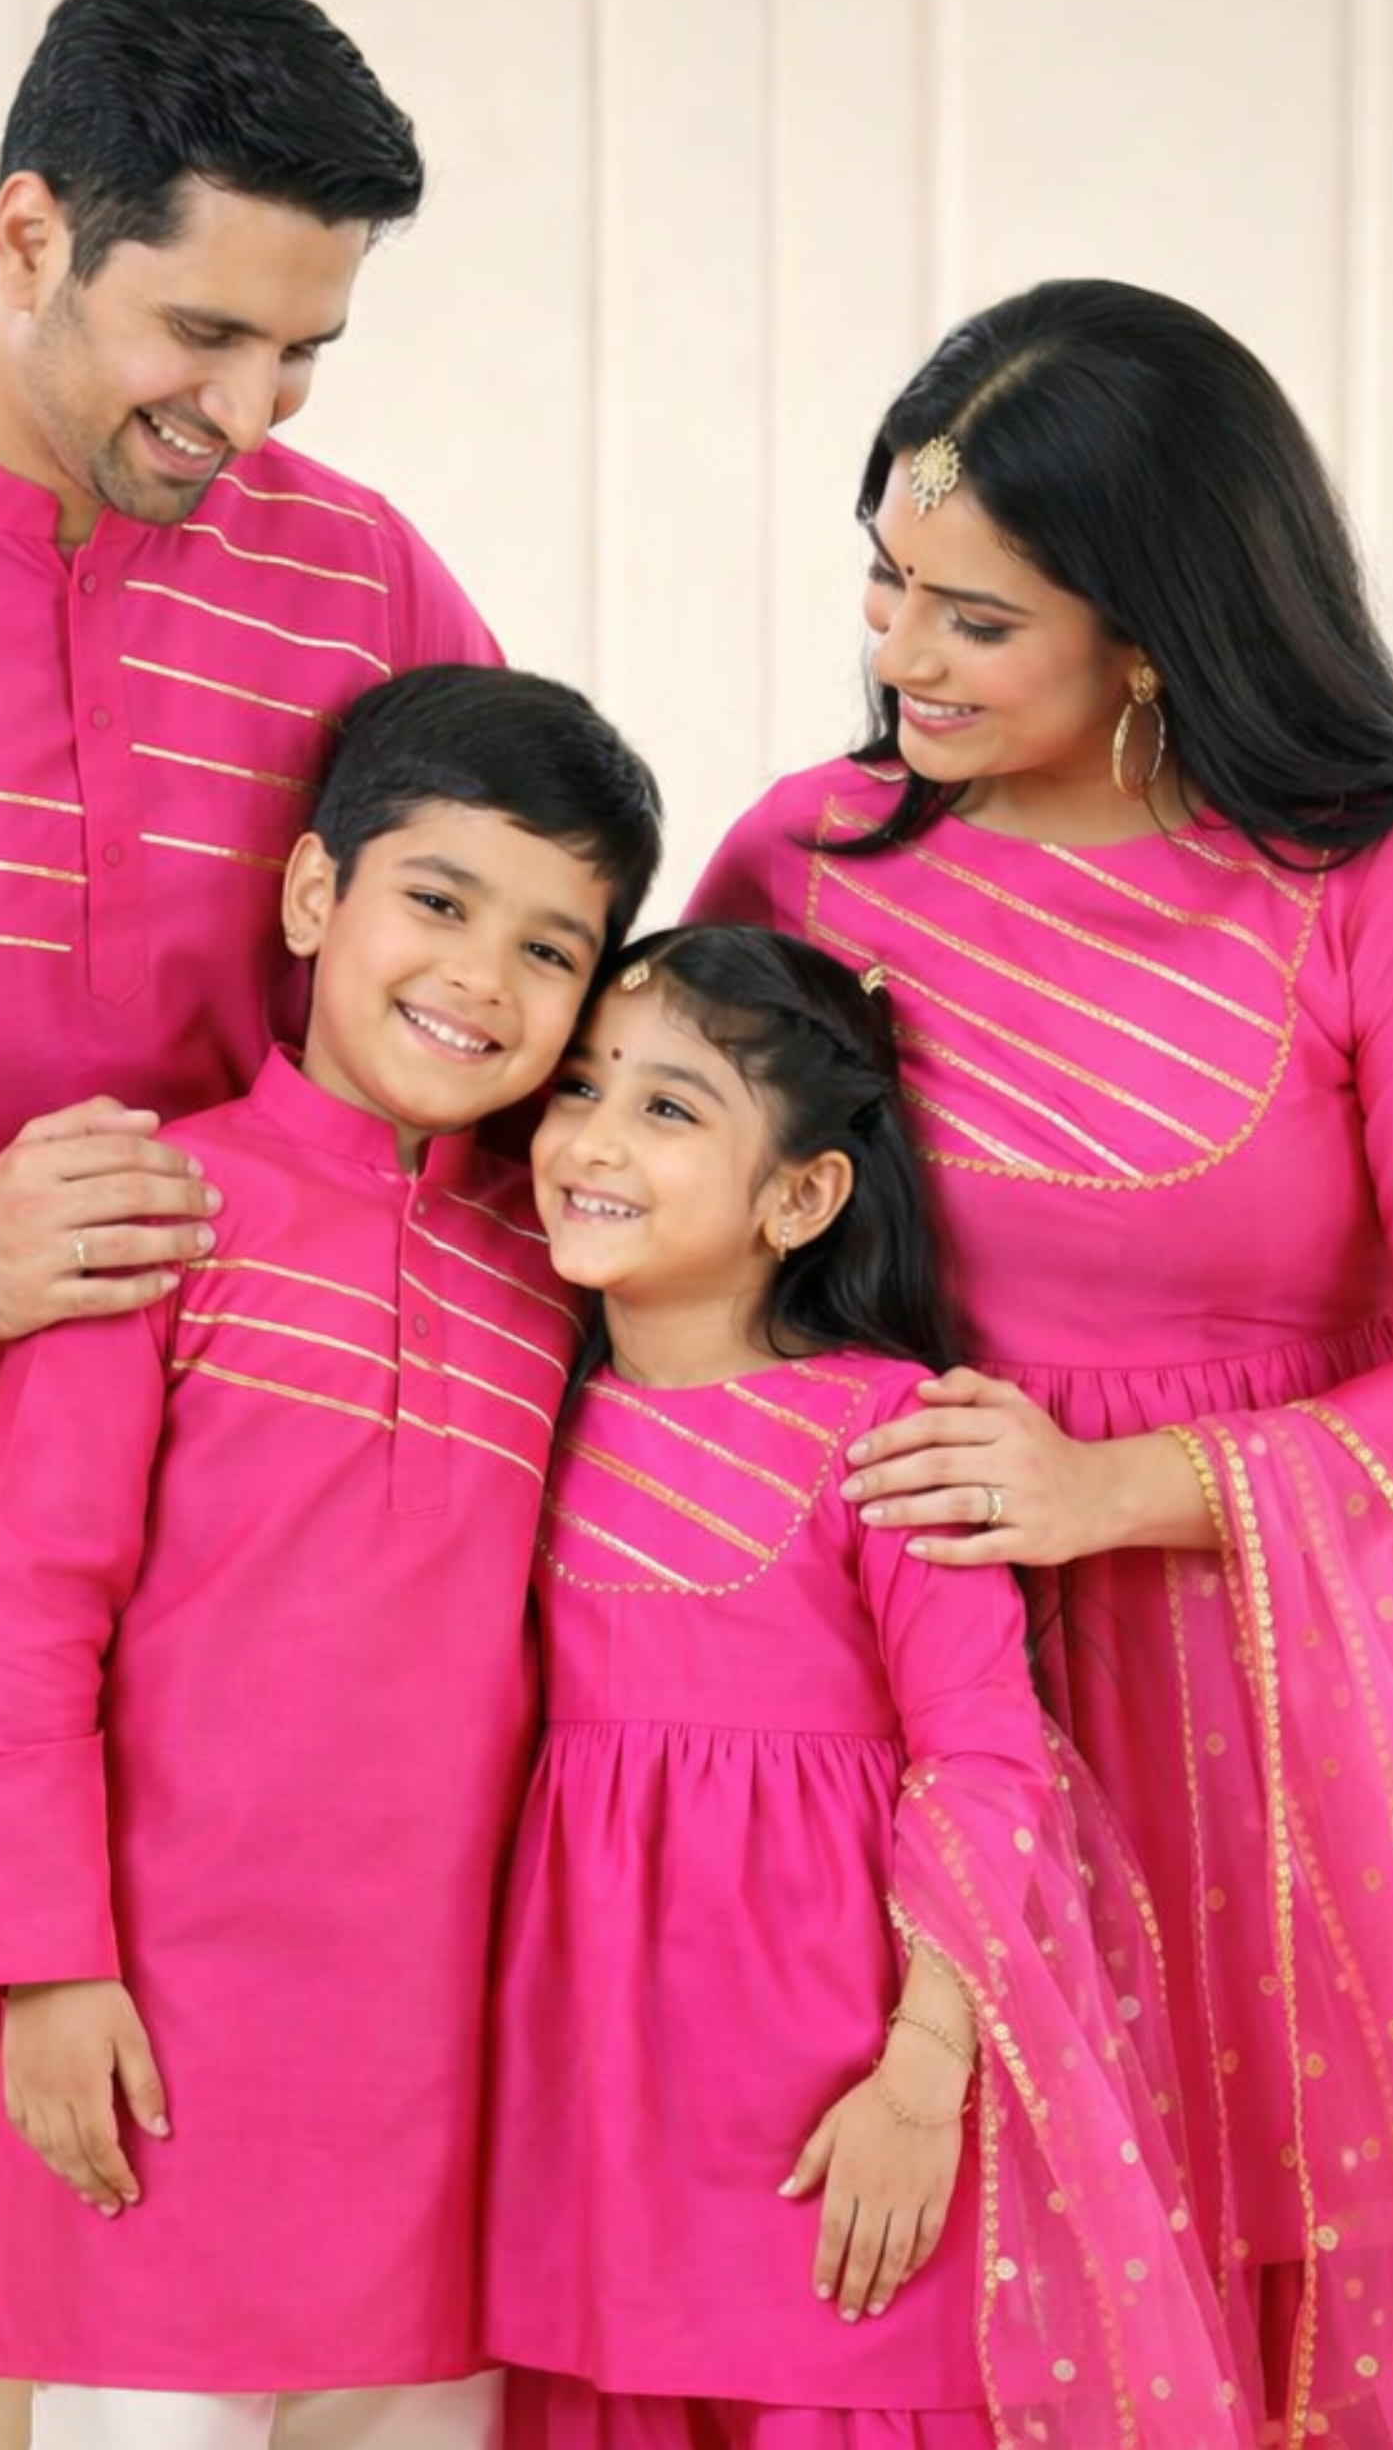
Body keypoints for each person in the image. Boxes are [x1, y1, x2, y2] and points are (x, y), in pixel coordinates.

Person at [0, 0, 499, 2450]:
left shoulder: (354, 581)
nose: (249, 415)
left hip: (243, 1667)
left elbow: (509, 994)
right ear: (31, 231)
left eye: (306, 353)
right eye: (205, 333)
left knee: (201, 2324)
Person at [687, 277, 1393, 2445]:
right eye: (888, 585)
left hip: (1271, 1717)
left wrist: (1123, 1491)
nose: (901, 653)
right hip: (901, 1698)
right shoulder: (806, 861)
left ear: (1157, 626)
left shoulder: (1362, 883)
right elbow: (652, 1231)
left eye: (977, 618)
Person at [0, 664, 663, 2450]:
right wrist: (46, 1966)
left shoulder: (564, 1271)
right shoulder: (155, 1210)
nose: (479, 978)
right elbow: (32, 1624)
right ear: (312, 895)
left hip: (447, 2059)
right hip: (157, 2040)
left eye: (550, 949)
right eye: (439, 902)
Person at [483, 922, 1251, 2450]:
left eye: (667, 1106)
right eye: (578, 1087)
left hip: (839, 2101)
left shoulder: (888, 1435)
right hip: (593, 2113)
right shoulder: (519, 1409)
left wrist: (920, 2077)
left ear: (801, 1197)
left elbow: (983, 1761)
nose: (592, 1139)